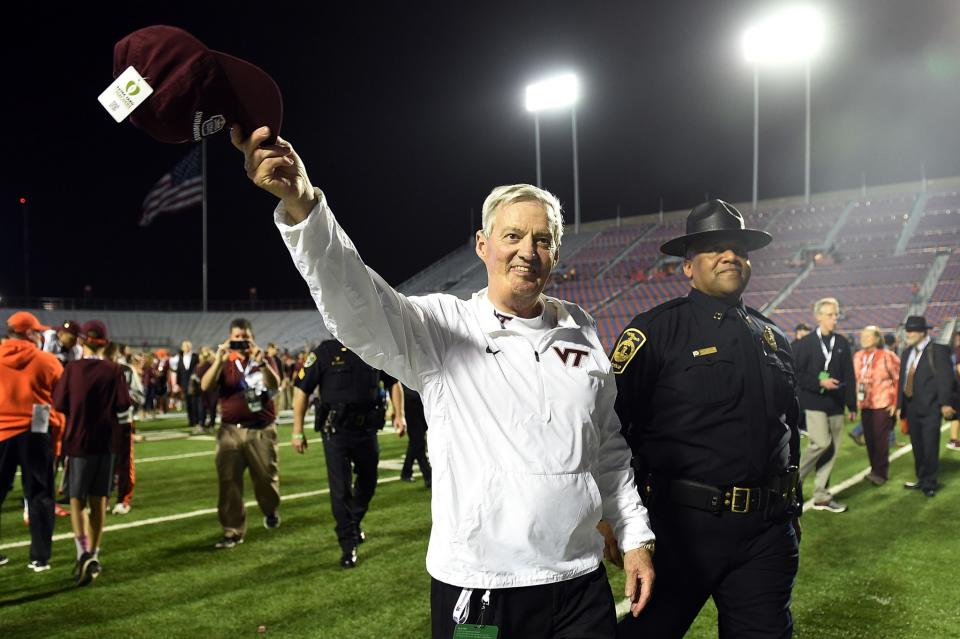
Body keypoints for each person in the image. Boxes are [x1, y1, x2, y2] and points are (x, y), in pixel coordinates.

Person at [234, 126, 654, 639]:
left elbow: (608, 448)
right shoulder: (442, 327)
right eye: (512, 236)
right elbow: (356, 301)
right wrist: (302, 204)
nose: (527, 251)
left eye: (542, 240)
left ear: (557, 253)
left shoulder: (582, 330)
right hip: (481, 584)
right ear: (482, 245)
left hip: (578, 579)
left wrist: (635, 536)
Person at [612, 200, 802, 639]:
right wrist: (618, 520)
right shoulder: (656, 332)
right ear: (688, 267)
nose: (730, 255)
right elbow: (613, 431)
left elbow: (788, 428)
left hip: (767, 534)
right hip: (681, 530)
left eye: (738, 247)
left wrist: (794, 504)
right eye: (714, 248)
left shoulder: (773, 337)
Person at [291, 339, 391, 567]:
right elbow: (302, 389)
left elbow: (393, 382)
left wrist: (399, 412)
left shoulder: (373, 346)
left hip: (367, 430)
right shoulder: (325, 351)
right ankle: (348, 544)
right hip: (336, 432)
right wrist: (297, 430)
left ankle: (353, 523)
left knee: (369, 482)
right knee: (341, 490)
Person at [53, 320, 131, 586]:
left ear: (83, 341)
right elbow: (123, 405)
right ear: (105, 343)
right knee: (99, 501)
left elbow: (60, 404)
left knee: (76, 500)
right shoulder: (115, 370)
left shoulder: (72, 369)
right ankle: (94, 554)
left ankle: (82, 552)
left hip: (77, 441)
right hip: (106, 442)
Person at [200, 318, 282, 548]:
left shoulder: (263, 359)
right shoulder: (224, 361)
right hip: (230, 430)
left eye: (245, 337)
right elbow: (205, 386)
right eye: (236, 337)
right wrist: (218, 360)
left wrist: (263, 363)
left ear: (252, 338)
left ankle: (270, 509)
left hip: (261, 430)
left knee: (266, 479)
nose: (241, 341)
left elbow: (276, 385)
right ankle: (232, 530)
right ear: (229, 338)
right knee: (229, 482)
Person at [0, 311, 64, 572]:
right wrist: (59, 436)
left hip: (1, 431)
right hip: (36, 430)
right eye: (37, 331)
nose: (40, 336)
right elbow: (61, 400)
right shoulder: (47, 361)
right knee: (39, 494)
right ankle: (39, 557)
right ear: (28, 333)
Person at [794, 297, 858, 513]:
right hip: (814, 401)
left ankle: (821, 495)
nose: (834, 319)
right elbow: (797, 374)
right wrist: (819, 382)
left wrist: (852, 405)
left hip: (837, 403)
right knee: (820, 443)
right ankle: (792, 482)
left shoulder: (841, 342)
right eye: (830, 315)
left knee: (831, 450)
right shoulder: (804, 343)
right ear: (818, 316)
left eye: (835, 315)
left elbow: (849, 374)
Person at [896, 316, 957, 496]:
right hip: (911, 406)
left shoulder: (938, 349)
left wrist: (945, 403)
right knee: (917, 445)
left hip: (931, 406)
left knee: (930, 445)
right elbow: (903, 379)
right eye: (907, 330)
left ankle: (930, 482)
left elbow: (945, 378)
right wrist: (900, 404)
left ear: (923, 332)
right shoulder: (907, 352)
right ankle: (921, 478)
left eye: (912, 330)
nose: (909, 334)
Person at [853, 326, 900, 485]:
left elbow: (898, 380)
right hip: (865, 404)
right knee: (870, 438)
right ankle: (874, 469)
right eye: (862, 335)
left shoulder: (888, 356)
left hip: (883, 403)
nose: (863, 338)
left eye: (868, 336)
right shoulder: (858, 356)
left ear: (877, 338)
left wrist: (895, 403)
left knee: (880, 440)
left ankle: (881, 473)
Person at [106, 342, 145, 514]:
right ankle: (102, 497)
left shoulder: (126, 370)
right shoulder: (92, 369)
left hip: (121, 422)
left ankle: (123, 499)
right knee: (101, 462)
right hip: (99, 423)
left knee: (124, 462)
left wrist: (121, 398)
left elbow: (139, 396)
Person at [392, 382, 432, 488]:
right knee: (418, 441)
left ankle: (406, 471)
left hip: (419, 400)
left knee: (416, 440)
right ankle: (428, 476)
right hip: (409, 402)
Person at [172, 340, 202, 433]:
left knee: (195, 403)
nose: (185, 347)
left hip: (194, 383)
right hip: (184, 384)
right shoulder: (181, 358)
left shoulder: (195, 356)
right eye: (184, 346)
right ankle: (191, 420)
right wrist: (178, 383)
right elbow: (179, 371)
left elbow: (198, 368)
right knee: (188, 403)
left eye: (186, 346)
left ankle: (197, 420)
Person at [946, 329, 960, 451]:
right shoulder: (958, 350)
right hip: (957, 387)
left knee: (957, 415)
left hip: (954, 387)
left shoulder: (954, 350)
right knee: (957, 415)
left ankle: (954, 440)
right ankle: (954, 440)